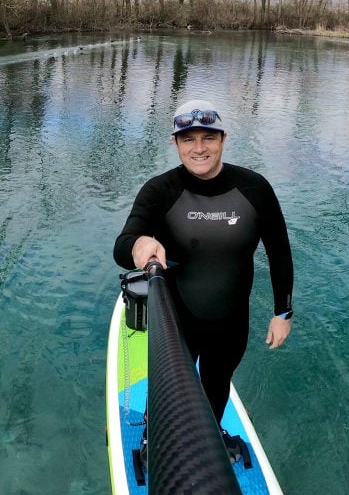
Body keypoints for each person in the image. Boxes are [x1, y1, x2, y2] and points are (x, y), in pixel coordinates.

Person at [113, 99, 294, 426]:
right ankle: (156, 435)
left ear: (224, 138)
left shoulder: (255, 188)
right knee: (169, 390)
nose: (199, 148)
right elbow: (123, 246)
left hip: (231, 323)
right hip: (175, 322)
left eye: (208, 138)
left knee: (217, 384)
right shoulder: (160, 190)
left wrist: (282, 312)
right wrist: (140, 244)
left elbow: (279, 252)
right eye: (188, 139)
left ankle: (211, 433)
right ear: (175, 143)